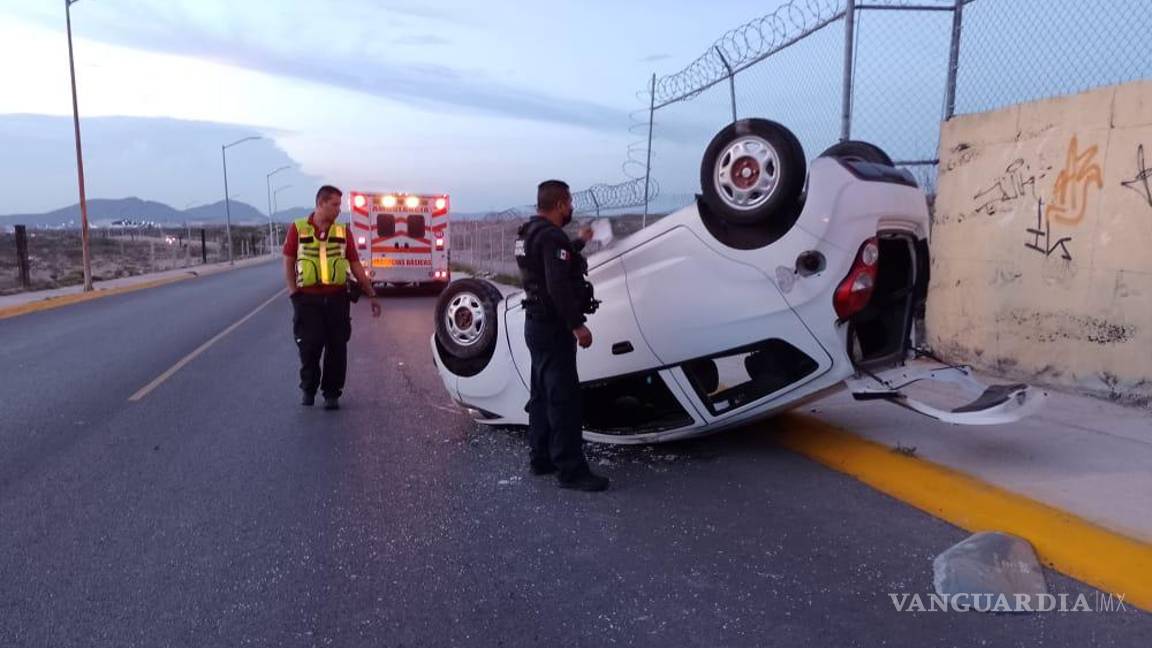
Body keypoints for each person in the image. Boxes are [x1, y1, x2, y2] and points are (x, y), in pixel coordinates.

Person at [514, 180, 609, 492]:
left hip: (536, 324)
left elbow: (551, 263)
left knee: (541, 393)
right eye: (568, 203)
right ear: (558, 204)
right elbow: (557, 284)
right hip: (554, 327)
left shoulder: (527, 234)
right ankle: (571, 470)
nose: (571, 209)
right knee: (564, 399)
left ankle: (541, 457)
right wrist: (577, 324)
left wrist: (578, 242)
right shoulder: (551, 236)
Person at [283, 185, 381, 410]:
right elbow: (288, 261)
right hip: (307, 300)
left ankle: (331, 393)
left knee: (337, 347)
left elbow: (355, 265)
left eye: (339, 204)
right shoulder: (298, 229)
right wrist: (292, 292)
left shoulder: (342, 232)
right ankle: (308, 388)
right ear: (320, 203)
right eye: (334, 204)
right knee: (310, 346)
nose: (339, 209)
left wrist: (371, 293)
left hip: (337, 299)